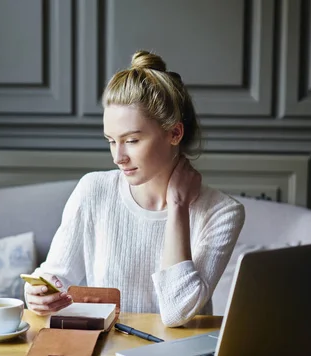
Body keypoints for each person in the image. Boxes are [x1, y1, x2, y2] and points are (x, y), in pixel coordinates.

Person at [25, 50, 245, 327]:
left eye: (131, 140)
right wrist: (38, 294)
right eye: (111, 141)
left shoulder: (222, 212)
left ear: (174, 134)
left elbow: (177, 313)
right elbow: (53, 276)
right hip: (104, 355)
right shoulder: (93, 190)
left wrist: (178, 206)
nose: (118, 157)